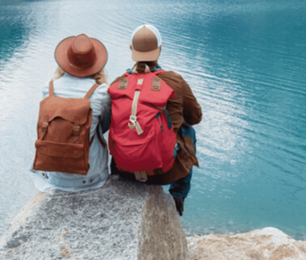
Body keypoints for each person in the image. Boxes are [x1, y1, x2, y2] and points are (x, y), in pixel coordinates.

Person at [107, 24, 201, 215]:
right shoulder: (174, 80)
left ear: (131, 49)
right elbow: (195, 117)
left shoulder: (117, 83)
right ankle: (178, 194)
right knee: (189, 130)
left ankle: (116, 178)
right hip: (163, 172)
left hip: (124, 169)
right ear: (160, 49)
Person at [31, 33, 111, 192]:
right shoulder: (101, 92)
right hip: (90, 177)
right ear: (95, 63)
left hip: (51, 176)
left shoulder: (49, 88)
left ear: (65, 62)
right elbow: (104, 126)